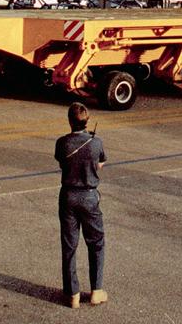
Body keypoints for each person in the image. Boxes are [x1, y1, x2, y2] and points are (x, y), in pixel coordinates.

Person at [56, 101, 108, 308]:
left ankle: (72, 294)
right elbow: (100, 164)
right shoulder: (97, 143)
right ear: (87, 121)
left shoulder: (62, 143)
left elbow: (62, 163)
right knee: (96, 243)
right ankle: (96, 290)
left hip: (68, 195)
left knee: (69, 245)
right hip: (89, 195)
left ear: (70, 121)